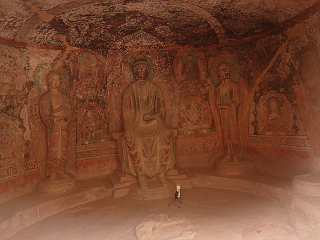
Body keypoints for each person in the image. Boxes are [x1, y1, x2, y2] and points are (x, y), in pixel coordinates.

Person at [120, 56, 175, 189]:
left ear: (148, 71)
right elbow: (126, 114)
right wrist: (128, 128)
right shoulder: (129, 92)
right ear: (134, 72)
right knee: (135, 139)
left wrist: (153, 116)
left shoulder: (155, 89)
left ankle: (161, 173)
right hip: (137, 125)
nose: (141, 71)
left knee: (166, 134)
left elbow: (162, 111)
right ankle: (141, 175)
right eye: (138, 68)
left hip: (154, 124)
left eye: (144, 68)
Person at [39, 71, 71, 181]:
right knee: (53, 149)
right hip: (53, 128)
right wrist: (54, 120)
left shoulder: (65, 98)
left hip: (64, 128)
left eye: (57, 80)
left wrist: (66, 119)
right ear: (48, 82)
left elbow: (68, 112)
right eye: (53, 80)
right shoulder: (45, 98)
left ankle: (61, 171)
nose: (55, 82)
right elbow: (44, 115)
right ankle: (52, 172)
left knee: (63, 149)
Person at [215, 62, 241, 162]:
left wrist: (229, 106)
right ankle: (227, 154)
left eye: (224, 70)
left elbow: (237, 101)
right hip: (224, 113)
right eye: (220, 72)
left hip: (232, 113)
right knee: (225, 132)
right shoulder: (218, 88)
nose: (222, 73)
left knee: (233, 131)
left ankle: (235, 154)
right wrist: (221, 107)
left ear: (228, 71)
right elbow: (217, 103)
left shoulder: (234, 86)